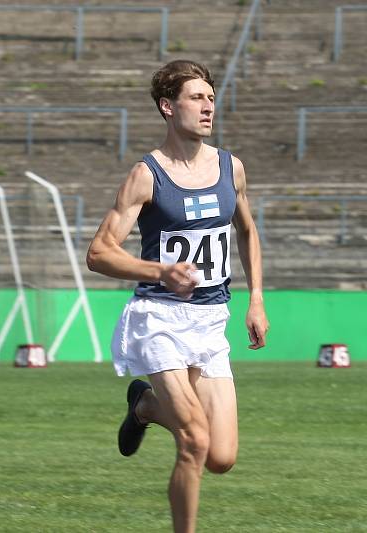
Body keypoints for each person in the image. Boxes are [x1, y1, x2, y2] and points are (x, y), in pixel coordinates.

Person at [86, 59, 269, 533]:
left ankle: (145, 407)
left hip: (211, 321)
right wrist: (159, 270)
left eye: (211, 97)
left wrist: (255, 301)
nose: (208, 106)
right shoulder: (147, 175)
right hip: (158, 317)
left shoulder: (232, 168)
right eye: (196, 97)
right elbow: (99, 253)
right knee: (193, 440)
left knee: (222, 456)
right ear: (168, 107)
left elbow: (247, 232)